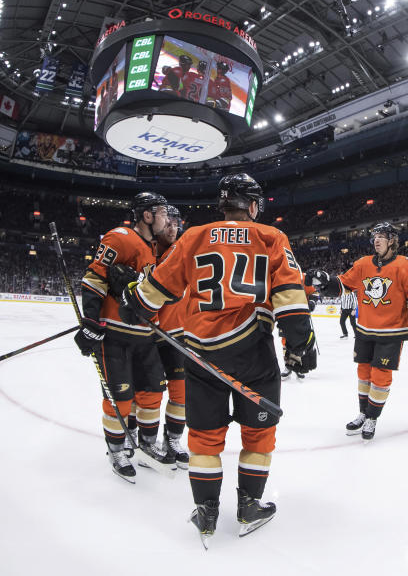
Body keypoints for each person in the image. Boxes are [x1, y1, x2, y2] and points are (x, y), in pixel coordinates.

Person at [115, 173, 314, 547]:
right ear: (253, 205)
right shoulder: (271, 236)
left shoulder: (194, 236)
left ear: (223, 204)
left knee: (204, 438)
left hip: (200, 353)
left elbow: (158, 287)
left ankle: (206, 512)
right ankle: (249, 507)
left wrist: (134, 304)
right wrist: (299, 342)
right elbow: (290, 292)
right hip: (254, 353)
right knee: (259, 435)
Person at [75, 193, 174, 483]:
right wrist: (92, 320)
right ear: (146, 215)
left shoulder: (152, 249)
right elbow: (94, 277)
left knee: (153, 392)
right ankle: (117, 449)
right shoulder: (119, 237)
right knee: (120, 398)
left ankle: (146, 444)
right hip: (116, 334)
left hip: (145, 335)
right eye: (161, 213)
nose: (166, 219)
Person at [312, 222, 408, 442]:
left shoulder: (406, 265)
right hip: (365, 330)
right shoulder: (363, 264)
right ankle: (363, 412)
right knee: (364, 374)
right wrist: (325, 281)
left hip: (392, 331)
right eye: (375, 236)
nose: (376, 240)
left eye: (382, 236)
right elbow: (342, 285)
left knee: (380, 376)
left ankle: (373, 417)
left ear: (393, 240)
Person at [152, 205, 189, 468]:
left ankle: (173, 439)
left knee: (181, 393)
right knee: (147, 393)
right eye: (168, 223)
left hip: (177, 336)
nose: (173, 227)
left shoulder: (185, 252)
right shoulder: (146, 251)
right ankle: (140, 438)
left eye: (176, 223)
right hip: (148, 334)